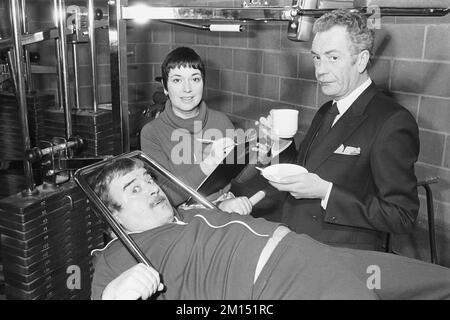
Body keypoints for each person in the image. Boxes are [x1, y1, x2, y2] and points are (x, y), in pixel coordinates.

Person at [90, 157, 450, 300]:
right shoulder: (115, 258)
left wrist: (223, 211)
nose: (152, 187)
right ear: (115, 216)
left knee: (430, 281)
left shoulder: (185, 212)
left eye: (148, 179)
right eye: (134, 189)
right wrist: (112, 299)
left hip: (308, 251)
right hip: (280, 285)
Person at [258, 9, 420, 251]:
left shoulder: (392, 121)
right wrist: (279, 146)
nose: (320, 70)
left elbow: (401, 215)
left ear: (362, 60)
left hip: (342, 260)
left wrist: (327, 193)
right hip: (298, 244)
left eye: (333, 58)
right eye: (317, 58)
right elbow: (307, 173)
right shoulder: (327, 109)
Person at [140, 47, 255, 215]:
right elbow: (167, 196)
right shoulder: (152, 133)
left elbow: (240, 176)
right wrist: (207, 165)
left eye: (195, 79)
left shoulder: (220, 121)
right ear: (165, 87)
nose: (187, 89)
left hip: (227, 205)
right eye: (177, 80)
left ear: (203, 83)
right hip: (181, 215)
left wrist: (257, 152)